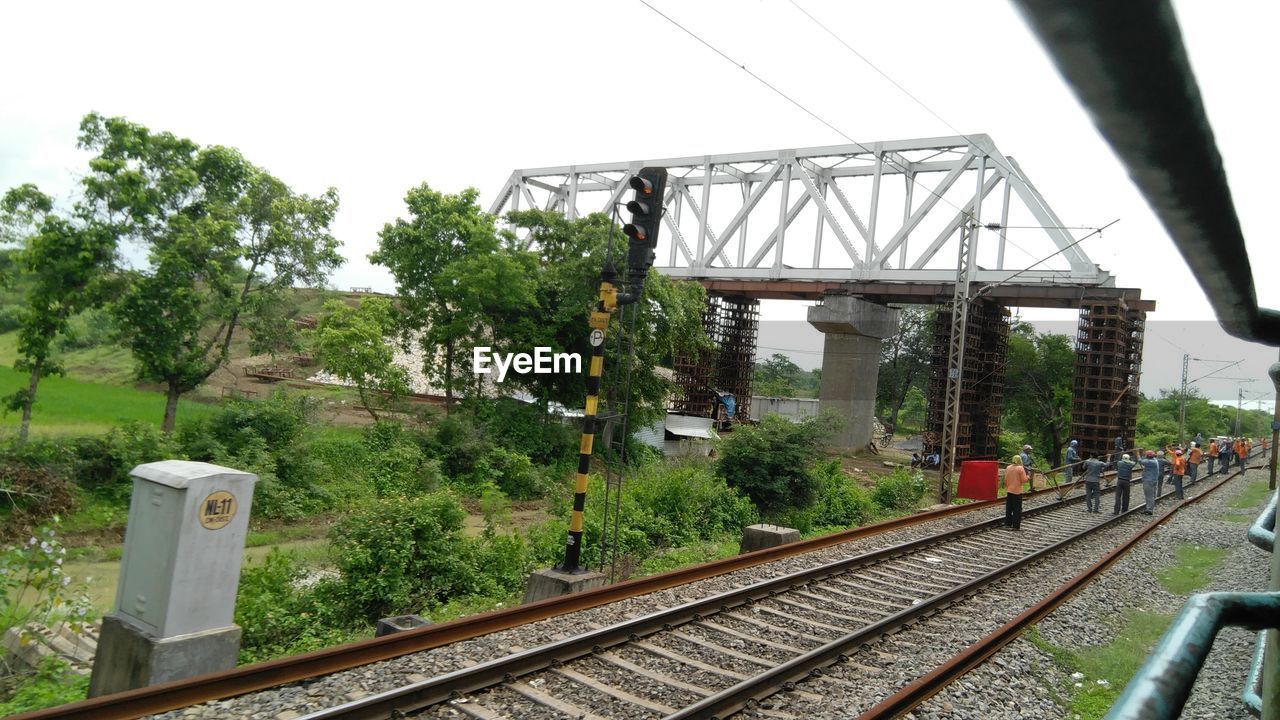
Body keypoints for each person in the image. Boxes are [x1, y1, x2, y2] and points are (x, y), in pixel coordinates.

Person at [1003, 454, 1029, 530]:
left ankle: (1008, 523)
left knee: (1009, 508)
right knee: (1017, 509)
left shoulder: (1008, 467)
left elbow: (1005, 479)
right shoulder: (1020, 468)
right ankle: (1015, 526)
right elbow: (1024, 480)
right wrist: (1028, 477)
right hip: (1017, 492)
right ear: (1019, 460)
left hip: (1009, 490)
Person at [1139, 450, 1161, 514]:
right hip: (1153, 480)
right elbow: (1144, 462)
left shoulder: (1151, 462)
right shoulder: (1154, 460)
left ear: (1147, 456)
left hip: (1149, 480)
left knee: (1149, 495)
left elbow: (1141, 461)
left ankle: (1149, 509)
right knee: (1151, 495)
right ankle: (1149, 508)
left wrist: (1137, 454)